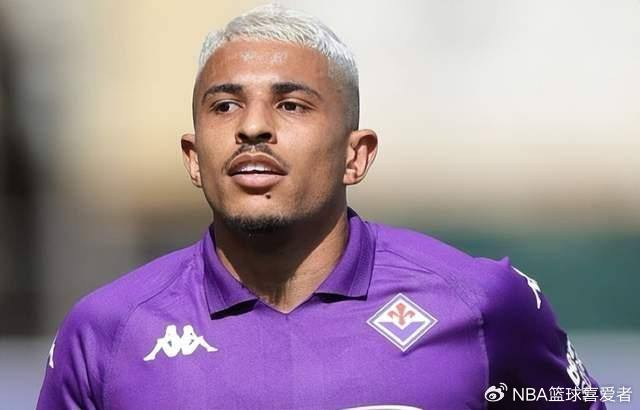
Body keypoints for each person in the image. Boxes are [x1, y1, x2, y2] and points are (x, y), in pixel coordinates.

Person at [37, 4, 606, 409]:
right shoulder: (107, 332)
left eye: (291, 104)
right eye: (225, 106)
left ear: (356, 156)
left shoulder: (484, 306)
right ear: (193, 157)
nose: (253, 127)